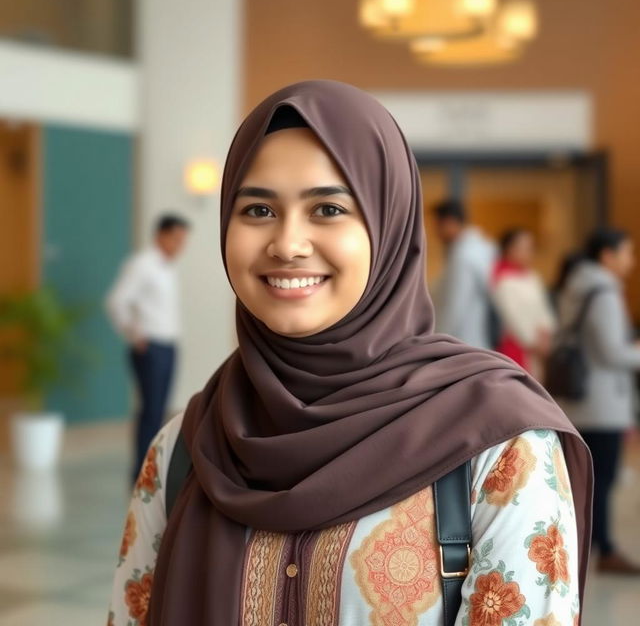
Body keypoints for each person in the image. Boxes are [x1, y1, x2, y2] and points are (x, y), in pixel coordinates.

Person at [108, 81, 592, 626]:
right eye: (259, 209)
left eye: (328, 208)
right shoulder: (184, 450)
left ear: (390, 227)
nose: (287, 244)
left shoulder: (499, 446)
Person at [556, 228, 640, 574]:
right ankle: (603, 549)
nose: (630, 261)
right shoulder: (604, 290)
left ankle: (585, 547)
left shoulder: (576, 285)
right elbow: (611, 351)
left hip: (580, 398)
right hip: (603, 402)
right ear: (607, 255)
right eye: (626, 253)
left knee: (584, 479)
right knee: (602, 479)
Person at [105, 213, 190, 481]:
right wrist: (135, 335)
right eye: (176, 238)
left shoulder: (168, 267)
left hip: (168, 345)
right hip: (150, 347)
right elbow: (116, 301)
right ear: (161, 235)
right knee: (150, 411)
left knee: (160, 410)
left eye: (182, 240)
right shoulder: (142, 264)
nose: (179, 245)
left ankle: (151, 469)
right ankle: (141, 472)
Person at [492, 228, 557, 381]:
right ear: (509, 249)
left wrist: (546, 334)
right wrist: (533, 341)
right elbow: (512, 316)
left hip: (537, 347)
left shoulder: (532, 276)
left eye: (531, 247)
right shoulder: (502, 278)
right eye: (524, 247)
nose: (529, 252)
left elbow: (543, 309)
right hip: (517, 346)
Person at [432, 200, 496, 349]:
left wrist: (438, 340)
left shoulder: (463, 255)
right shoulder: (481, 248)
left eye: (438, 226)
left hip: (464, 339)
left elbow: (455, 304)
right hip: (475, 339)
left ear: (449, 222)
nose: (436, 233)